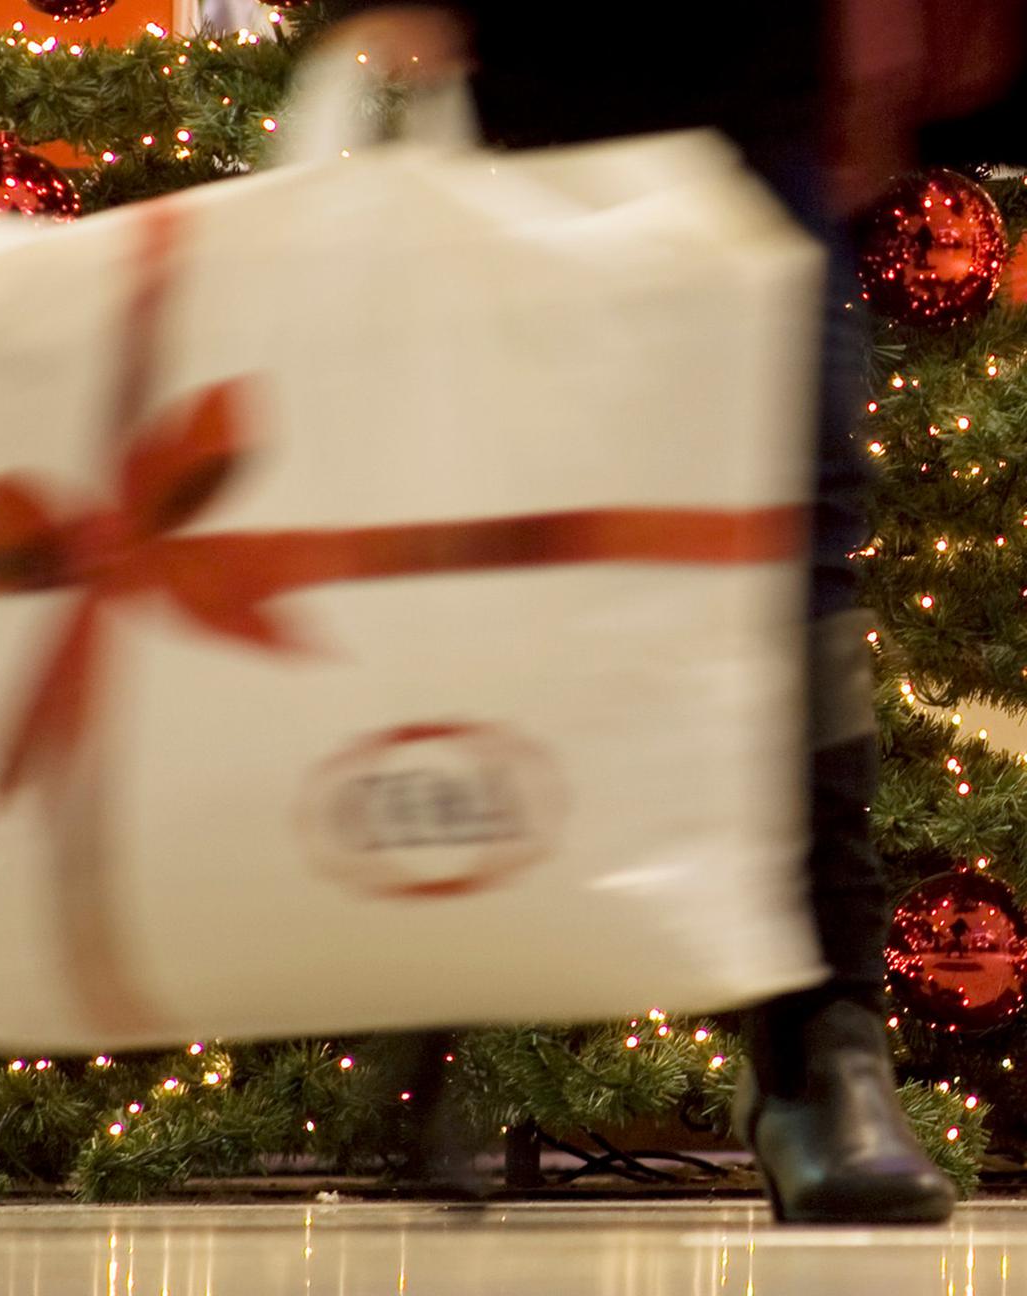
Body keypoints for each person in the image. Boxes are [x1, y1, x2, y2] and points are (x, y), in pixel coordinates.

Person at [313, 0, 1007, 1224]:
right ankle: (426, 1039)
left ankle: (825, 1058)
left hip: (756, 97)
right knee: (472, 552)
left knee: (796, 560)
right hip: (504, 114)